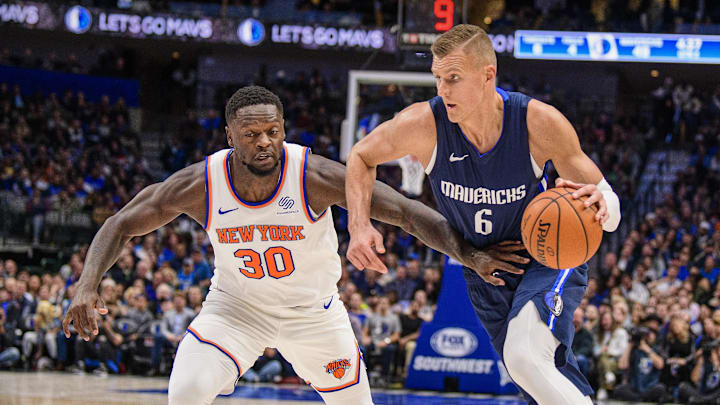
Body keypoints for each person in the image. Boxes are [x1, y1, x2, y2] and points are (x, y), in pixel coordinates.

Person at [63, 86, 493, 405]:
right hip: (236, 310)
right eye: (251, 134)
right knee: (186, 390)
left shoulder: (312, 175)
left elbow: (407, 212)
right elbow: (119, 225)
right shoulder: (200, 184)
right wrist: (86, 286)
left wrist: (469, 256)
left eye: (272, 130)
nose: (265, 141)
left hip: (313, 314)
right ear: (230, 134)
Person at [345, 24, 621, 405]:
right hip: (484, 269)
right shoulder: (424, 124)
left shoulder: (536, 122)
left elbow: (607, 199)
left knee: (524, 359)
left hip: (546, 255)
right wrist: (359, 225)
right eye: (438, 78)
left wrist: (604, 207)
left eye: (453, 78)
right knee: (537, 377)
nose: (442, 90)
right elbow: (360, 155)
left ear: (487, 75)